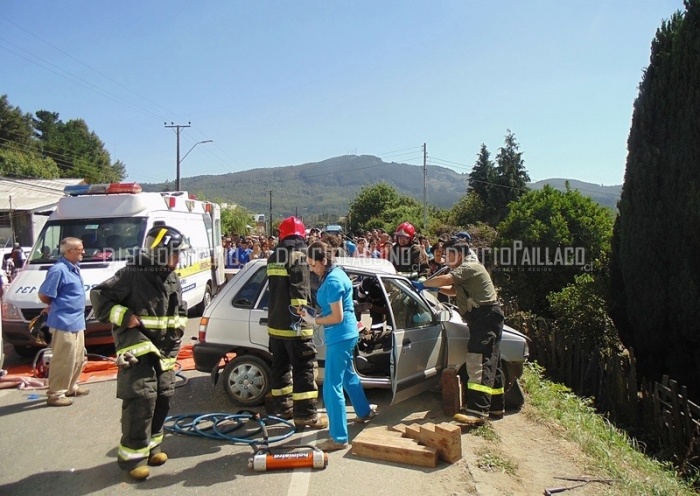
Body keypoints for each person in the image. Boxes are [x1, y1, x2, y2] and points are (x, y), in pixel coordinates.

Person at [90, 225, 189, 481]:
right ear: (159, 253)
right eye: (174, 253)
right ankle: (133, 459)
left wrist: (177, 332)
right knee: (141, 401)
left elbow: (180, 309)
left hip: (165, 351)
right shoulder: (132, 275)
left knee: (163, 398)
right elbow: (100, 298)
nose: (178, 260)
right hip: (138, 349)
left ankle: (153, 447)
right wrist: (125, 317)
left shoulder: (171, 277)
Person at [414, 237, 504, 426]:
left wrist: (425, 283)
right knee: (491, 360)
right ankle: (495, 406)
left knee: (477, 360)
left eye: (449, 254)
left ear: (460, 254)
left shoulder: (470, 266)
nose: (446, 258)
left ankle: (477, 412)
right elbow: (453, 290)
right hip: (484, 317)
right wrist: (428, 287)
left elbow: (446, 279)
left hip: (484, 316)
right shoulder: (465, 270)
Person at [300, 241, 377, 451]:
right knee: (348, 376)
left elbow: (336, 316)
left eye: (313, 265)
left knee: (332, 387)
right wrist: (315, 314)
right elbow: (337, 309)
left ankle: (339, 438)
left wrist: (313, 321)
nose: (311, 269)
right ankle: (364, 411)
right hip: (347, 333)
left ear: (323, 261)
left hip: (340, 335)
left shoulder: (332, 280)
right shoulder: (338, 272)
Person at [267, 216, 327, 429]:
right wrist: (305, 321)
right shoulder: (299, 257)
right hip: (295, 328)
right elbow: (299, 296)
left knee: (280, 368)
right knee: (303, 370)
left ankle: (282, 409)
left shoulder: (274, 256)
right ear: (302, 236)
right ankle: (306, 416)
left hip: (275, 326)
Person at [37, 237, 88, 407]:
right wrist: (54, 306)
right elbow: (45, 294)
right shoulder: (58, 270)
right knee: (63, 359)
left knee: (78, 358)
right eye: (80, 249)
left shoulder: (73, 268)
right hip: (63, 321)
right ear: (69, 251)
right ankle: (56, 394)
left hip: (77, 321)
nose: (83, 252)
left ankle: (71, 387)